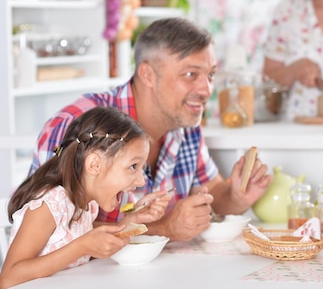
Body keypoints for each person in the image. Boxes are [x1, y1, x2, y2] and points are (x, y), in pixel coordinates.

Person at [30, 17, 272, 242]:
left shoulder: (184, 126)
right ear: (147, 74)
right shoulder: (77, 125)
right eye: (190, 74)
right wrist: (165, 228)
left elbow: (215, 194)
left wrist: (237, 196)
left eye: (210, 75)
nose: (207, 90)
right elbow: (50, 228)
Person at [0, 106, 169, 289]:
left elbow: (89, 237)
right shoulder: (50, 204)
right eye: (133, 166)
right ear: (95, 165)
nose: (141, 181)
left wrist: (133, 220)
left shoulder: (86, 206)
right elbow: (9, 278)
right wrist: (82, 247)